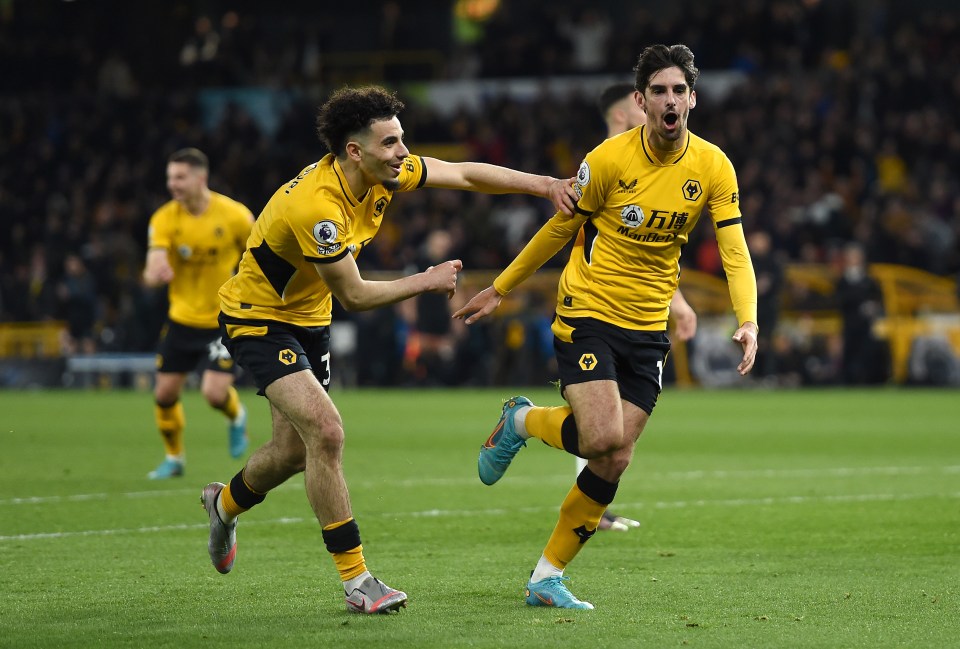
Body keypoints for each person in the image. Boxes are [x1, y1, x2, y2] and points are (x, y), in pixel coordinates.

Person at [200, 85, 578, 615]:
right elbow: (354, 294)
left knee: (290, 452)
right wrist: (424, 280)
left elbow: (466, 173)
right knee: (326, 432)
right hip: (258, 319)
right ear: (355, 151)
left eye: (402, 140)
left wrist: (547, 185)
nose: (404, 152)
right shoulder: (318, 207)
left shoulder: (385, 174)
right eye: (391, 142)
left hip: (309, 318)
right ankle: (358, 581)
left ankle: (223, 505)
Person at [454, 44, 758, 609]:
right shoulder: (609, 161)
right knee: (599, 436)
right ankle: (520, 421)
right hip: (587, 312)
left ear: (693, 99)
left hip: (648, 329)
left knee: (614, 457)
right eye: (659, 91)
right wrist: (501, 287)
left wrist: (749, 322)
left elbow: (734, 250)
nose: (670, 101)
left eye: (679, 90)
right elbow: (555, 230)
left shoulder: (713, 166)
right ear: (641, 101)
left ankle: (546, 577)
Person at [584, 83, 699, 532]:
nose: (656, 112)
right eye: (644, 104)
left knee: (610, 429)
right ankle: (526, 424)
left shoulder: (654, 167)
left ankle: (594, 509)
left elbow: (653, 252)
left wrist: (680, 303)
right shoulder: (607, 168)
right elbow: (630, 252)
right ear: (622, 116)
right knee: (602, 423)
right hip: (602, 311)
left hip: (642, 314)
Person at [143, 148, 254, 480]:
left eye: (179, 177)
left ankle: (236, 417)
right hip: (181, 319)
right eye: (169, 177)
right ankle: (174, 458)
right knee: (164, 394)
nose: (172, 184)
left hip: (222, 319)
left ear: (200, 178)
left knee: (213, 393)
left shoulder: (234, 215)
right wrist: (155, 273)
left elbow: (261, 254)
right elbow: (150, 269)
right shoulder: (164, 218)